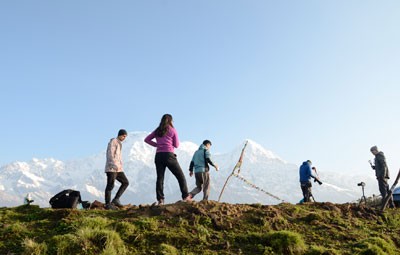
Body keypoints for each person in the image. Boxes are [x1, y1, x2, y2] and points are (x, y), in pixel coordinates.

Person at [144, 114, 191, 205]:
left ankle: (160, 200)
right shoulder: (172, 130)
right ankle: (185, 196)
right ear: (170, 121)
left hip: (158, 155)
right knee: (180, 176)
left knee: (160, 178)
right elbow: (177, 145)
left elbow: (147, 139)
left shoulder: (157, 130)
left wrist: (157, 145)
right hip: (169, 155)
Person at [104, 129, 129, 210]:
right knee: (110, 185)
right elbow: (110, 154)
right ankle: (108, 204)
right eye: (124, 136)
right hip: (112, 168)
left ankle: (116, 199)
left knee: (125, 182)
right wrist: (113, 165)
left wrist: (119, 166)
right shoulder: (114, 141)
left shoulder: (119, 143)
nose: (124, 138)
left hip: (118, 169)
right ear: (120, 135)